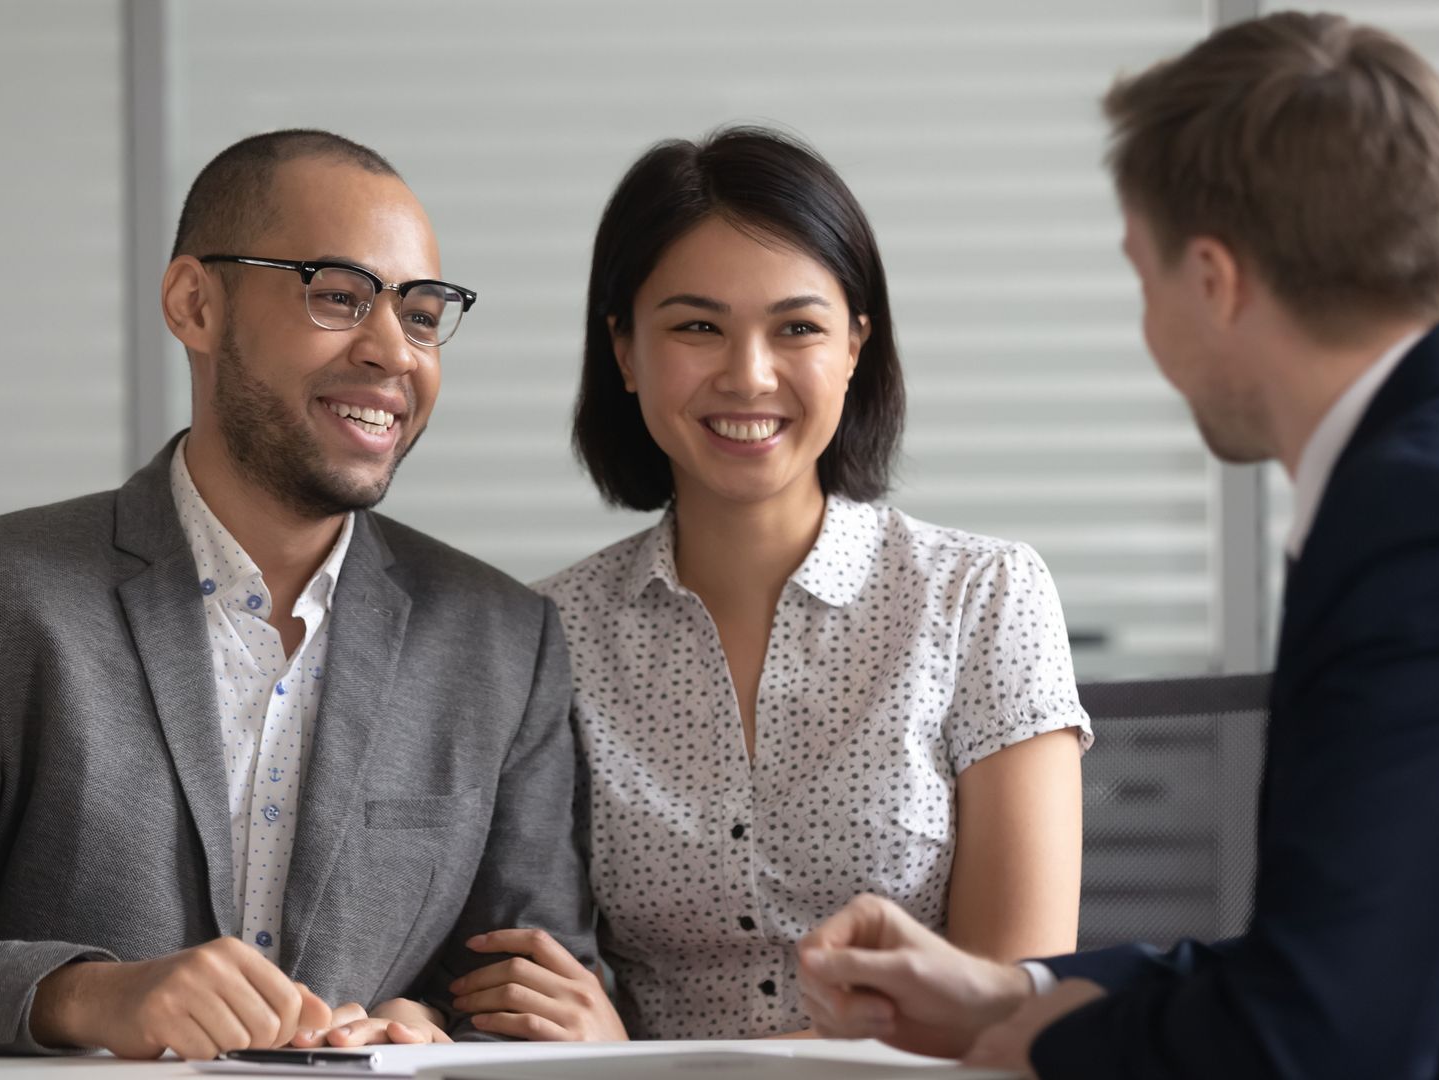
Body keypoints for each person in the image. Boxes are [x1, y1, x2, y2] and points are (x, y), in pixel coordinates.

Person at [798, 12, 1439, 1078]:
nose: (1149, 322)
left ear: (1213, 279)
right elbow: (1361, 950)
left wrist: (1049, 1048)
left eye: (1143, 276)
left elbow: (1322, 1038)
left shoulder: (1436, 531)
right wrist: (1010, 993)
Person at [0, 129, 596, 1059]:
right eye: (339, 296)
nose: (394, 351)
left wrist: (423, 1026)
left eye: (424, 314)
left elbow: (529, 995)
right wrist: (90, 998)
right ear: (195, 303)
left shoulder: (503, 644)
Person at [444, 127, 1089, 1042]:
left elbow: (1007, 1013)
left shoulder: (984, 599)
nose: (749, 375)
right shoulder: (546, 633)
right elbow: (529, 974)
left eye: (798, 328)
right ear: (625, 351)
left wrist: (643, 1067)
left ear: (856, 346)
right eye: (697, 327)